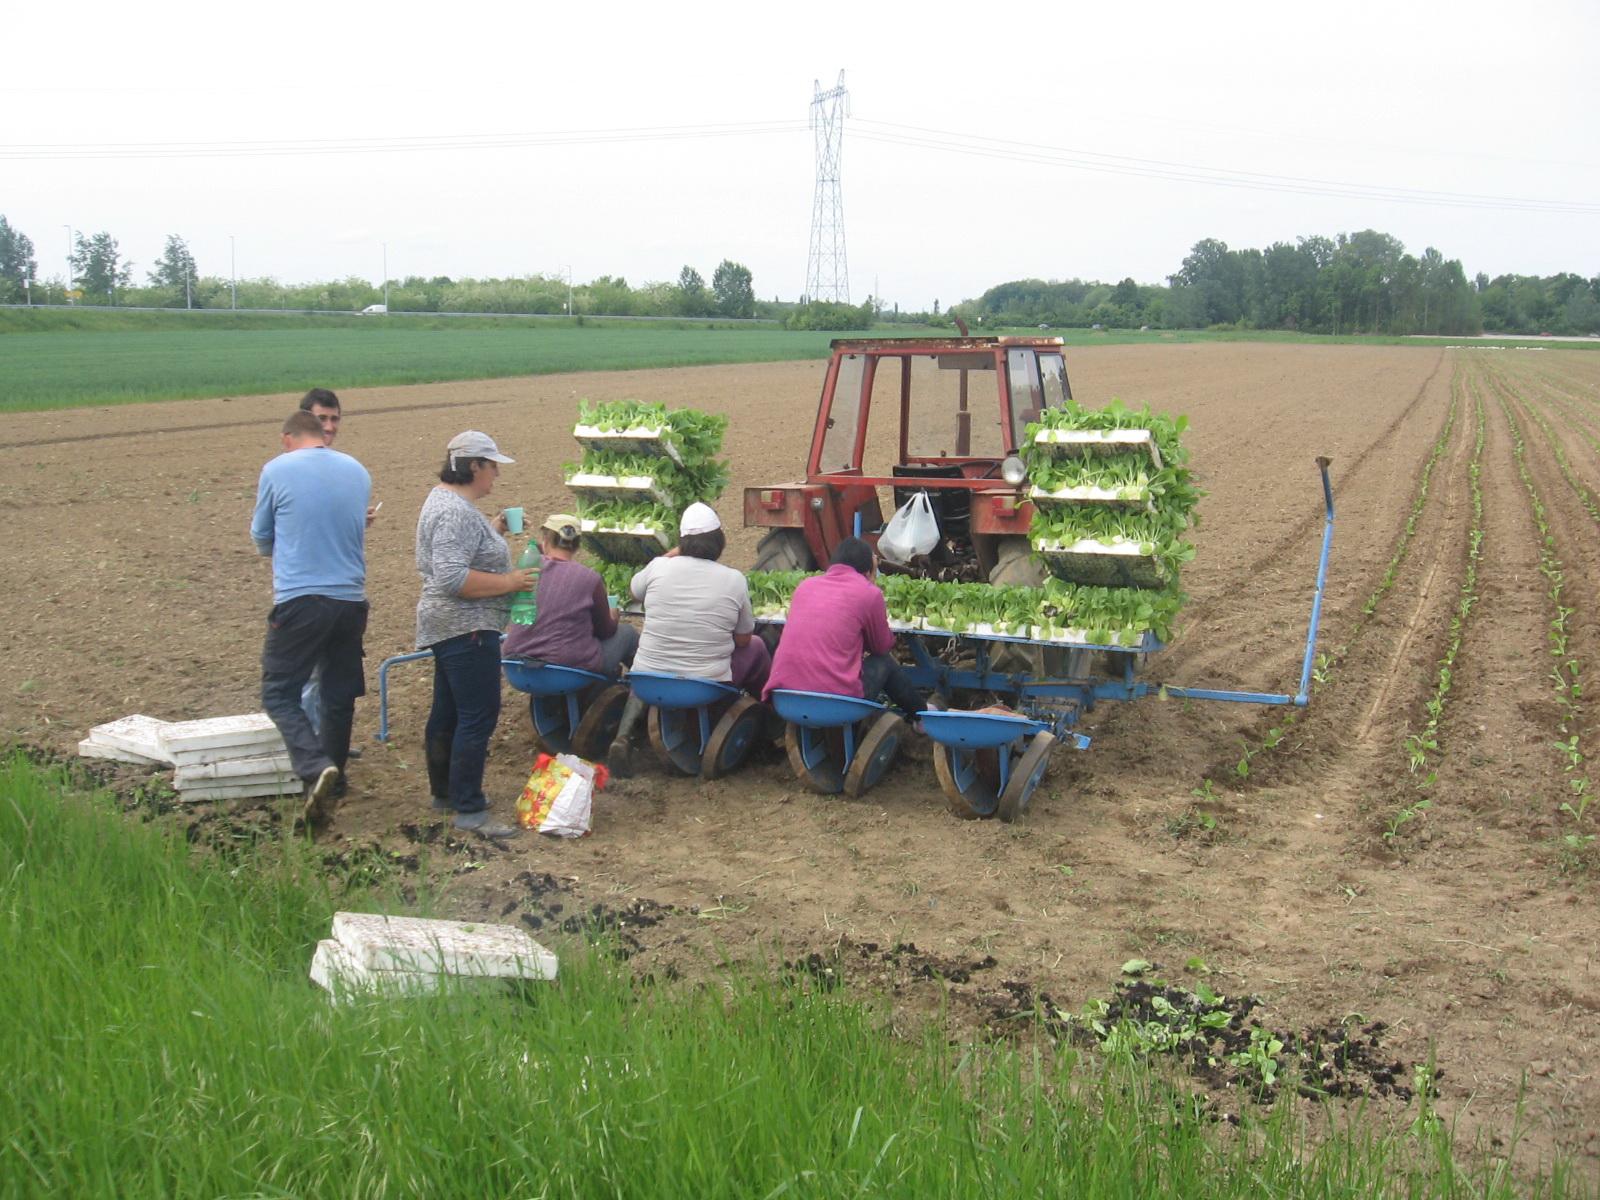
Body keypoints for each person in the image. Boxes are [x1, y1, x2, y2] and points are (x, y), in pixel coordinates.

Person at [250, 409, 371, 829]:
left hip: (301, 599)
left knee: (279, 692)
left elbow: (262, 539)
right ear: (320, 433)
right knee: (337, 695)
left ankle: (313, 765)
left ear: (287, 438)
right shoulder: (357, 470)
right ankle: (332, 784)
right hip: (352, 600)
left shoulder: (277, 469)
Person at [415, 430, 535, 839]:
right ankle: (469, 807)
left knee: (447, 709)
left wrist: (493, 530)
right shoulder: (455, 512)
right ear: (472, 467)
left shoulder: (445, 503)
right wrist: (511, 582)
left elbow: (456, 556)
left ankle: (444, 792)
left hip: (448, 625)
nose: (496, 475)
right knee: (477, 714)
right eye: (491, 466)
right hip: (465, 626)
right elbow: (452, 578)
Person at [607, 502, 768, 776]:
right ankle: (766, 725)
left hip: (647, 680)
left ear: (681, 542)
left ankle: (625, 734)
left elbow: (634, 591)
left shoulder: (658, 568)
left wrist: (670, 556)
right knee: (757, 646)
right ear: (719, 541)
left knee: (653, 650)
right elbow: (743, 640)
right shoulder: (734, 580)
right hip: (703, 686)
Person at [763, 537, 934, 724]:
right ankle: (922, 718)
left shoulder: (805, 586)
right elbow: (881, 647)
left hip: (784, 699)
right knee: (884, 662)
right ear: (869, 571)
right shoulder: (869, 592)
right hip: (836, 703)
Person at [295, 387, 376, 760]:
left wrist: (356, 522)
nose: (329, 426)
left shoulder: (345, 470)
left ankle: (332, 744)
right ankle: (312, 751)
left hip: (345, 589)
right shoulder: (290, 469)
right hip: (307, 589)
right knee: (311, 676)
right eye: (321, 418)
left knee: (337, 678)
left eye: (334, 419)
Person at [502, 514, 638, 677]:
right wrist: (613, 616)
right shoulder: (589, 578)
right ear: (577, 546)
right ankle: (640, 692)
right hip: (564, 668)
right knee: (628, 633)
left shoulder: (525, 569)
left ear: (545, 540)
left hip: (516, 665)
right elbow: (605, 631)